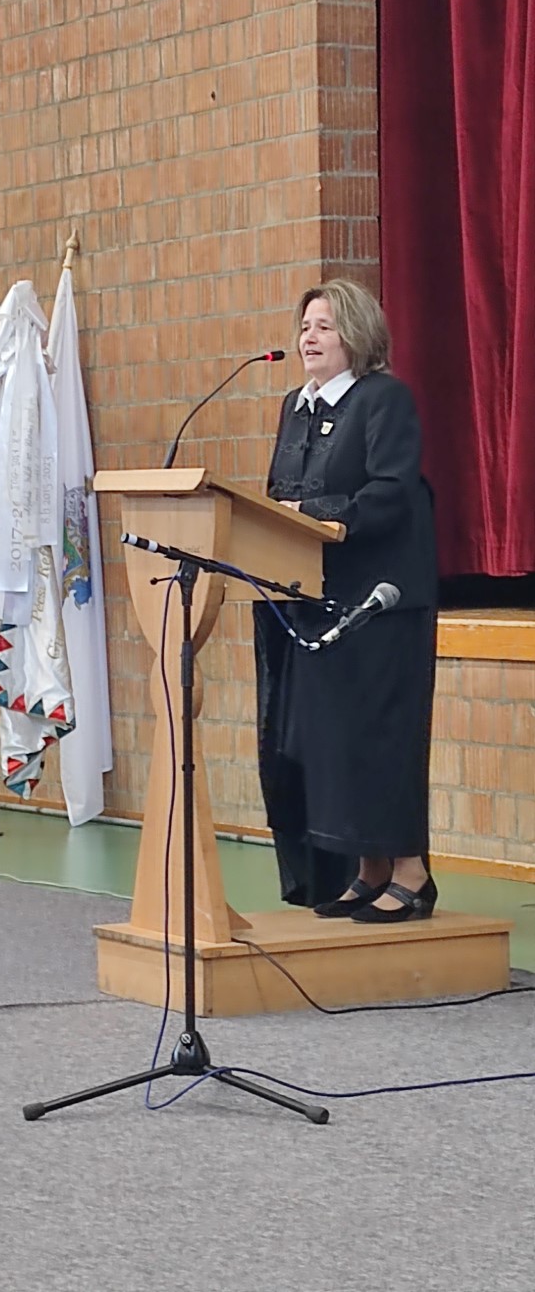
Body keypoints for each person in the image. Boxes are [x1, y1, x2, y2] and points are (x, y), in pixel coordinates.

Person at [253, 279, 438, 924]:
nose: (309, 337)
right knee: (338, 743)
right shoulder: (295, 406)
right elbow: (279, 491)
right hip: (317, 597)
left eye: (324, 326)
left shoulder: (384, 399)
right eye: (305, 325)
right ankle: (369, 869)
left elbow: (391, 491)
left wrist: (314, 514)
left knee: (381, 738)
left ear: (356, 335)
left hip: (380, 601)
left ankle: (412, 873)